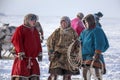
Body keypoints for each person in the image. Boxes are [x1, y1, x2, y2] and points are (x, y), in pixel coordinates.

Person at [11, 13, 42, 80]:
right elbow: (17, 41)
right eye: (32, 20)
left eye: (35, 20)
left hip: (32, 60)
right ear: (27, 20)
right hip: (22, 59)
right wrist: (20, 52)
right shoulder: (20, 29)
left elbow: (38, 42)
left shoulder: (35, 30)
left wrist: (39, 52)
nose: (34, 22)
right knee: (21, 76)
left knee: (34, 76)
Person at [79, 14, 109, 80]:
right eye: (84, 22)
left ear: (91, 21)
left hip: (95, 58)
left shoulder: (97, 30)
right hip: (84, 58)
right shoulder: (84, 32)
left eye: (86, 22)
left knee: (97, 76)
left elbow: (100, 42)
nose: (85, 24)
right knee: (85, 77)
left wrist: (97, 54)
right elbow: (80, 40)